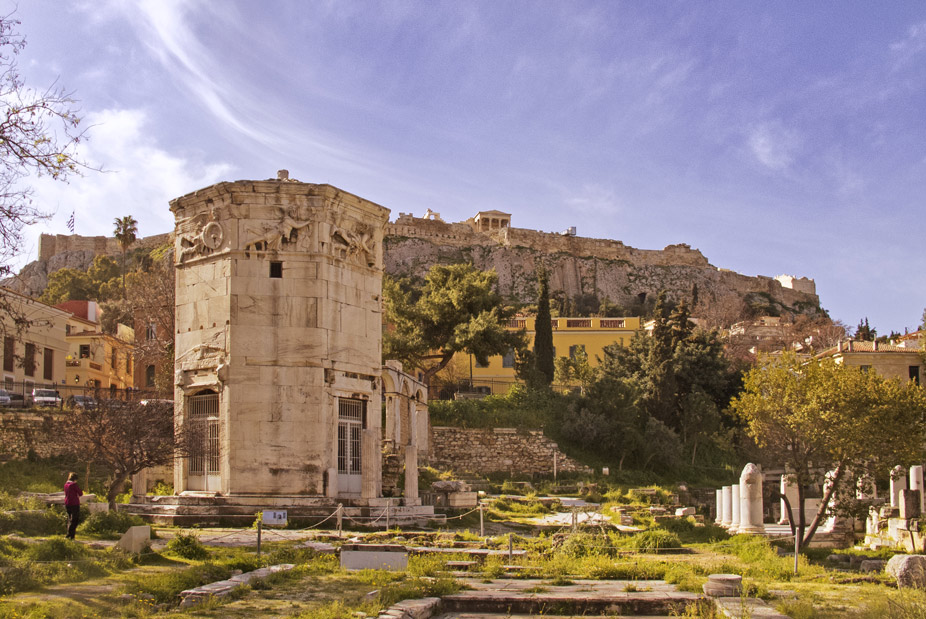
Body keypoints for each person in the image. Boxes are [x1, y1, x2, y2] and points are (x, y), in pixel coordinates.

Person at [63, 472, 83, 540]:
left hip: (67, 503)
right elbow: (80, 493)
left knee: (70, 519)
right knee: (75, 520)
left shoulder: (66, 484)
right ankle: (69, 534)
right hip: (74, 503)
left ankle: (72, 536)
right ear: (75, 479)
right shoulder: (74, 484)